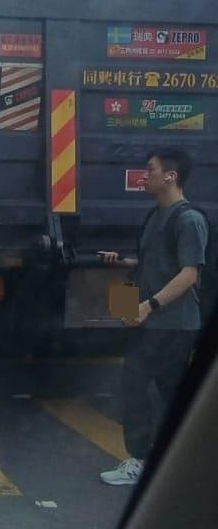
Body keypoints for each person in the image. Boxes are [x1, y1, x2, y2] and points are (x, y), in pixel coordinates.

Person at [99, 146, 208, 487]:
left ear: (170, 176)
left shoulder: (189, 219)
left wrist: (149, 306)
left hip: (173, 324)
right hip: (149, 321)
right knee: (146, 387)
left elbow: (190, 273)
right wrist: (124, 263)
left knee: (148, 388)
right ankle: (155, 459)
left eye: (151, 169)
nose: (144, 176)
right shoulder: (155, 214)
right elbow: (154, 264)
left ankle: (148, 460)